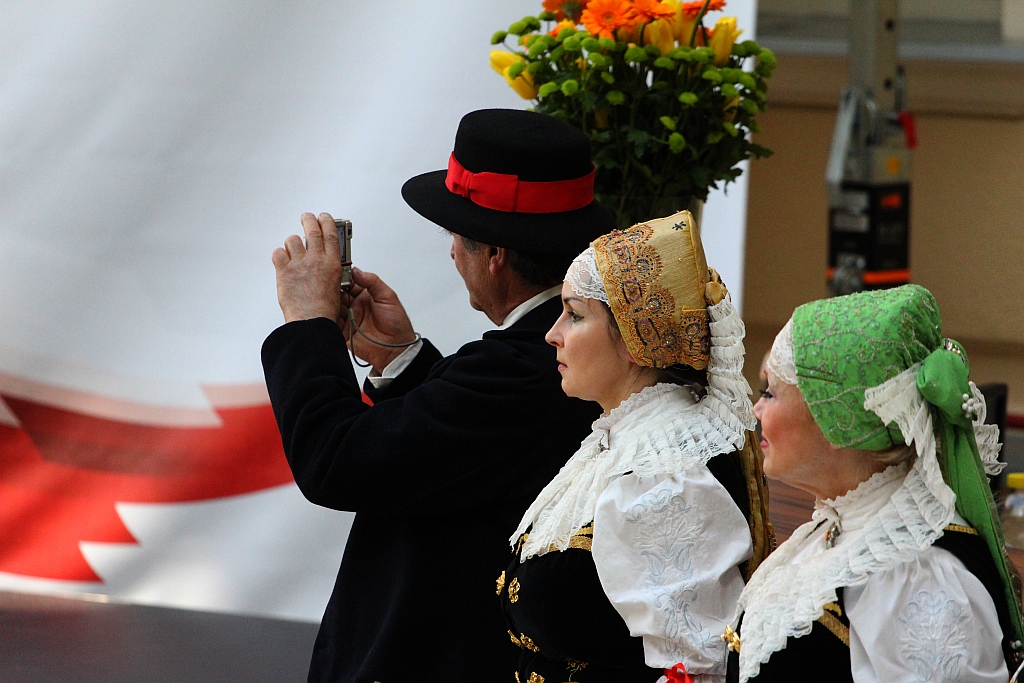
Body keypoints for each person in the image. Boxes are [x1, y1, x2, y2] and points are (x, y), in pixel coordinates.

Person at [261, 108, 615, 682]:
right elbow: (460, 448)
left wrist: (308, 324)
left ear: (495, 255)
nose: (451, 252)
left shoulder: (524, 368)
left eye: (456, 236)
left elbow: (334, 461)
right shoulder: (550, 355)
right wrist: (400, 356)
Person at [498, 210, 774, 683]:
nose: (552, 334)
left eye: (574, 314)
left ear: (635, 340)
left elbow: (695, 668)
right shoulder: (623, 441)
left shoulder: (668, 472)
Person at [725, 284, 1024, 682]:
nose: (757, 409)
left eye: (770, 392)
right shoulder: (842, 525)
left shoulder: (916, 574)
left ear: (836, 421)